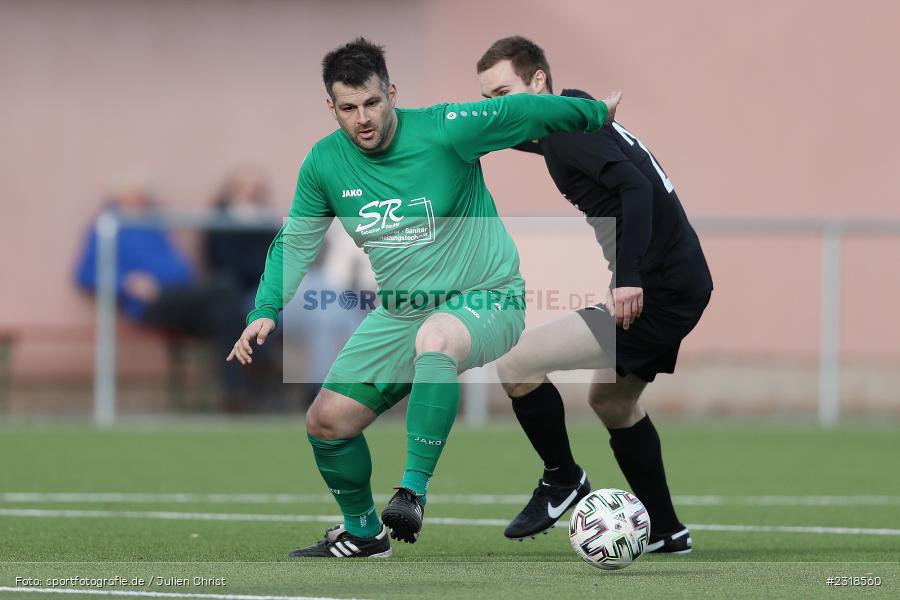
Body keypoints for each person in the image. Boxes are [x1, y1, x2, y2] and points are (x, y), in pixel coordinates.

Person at [227, 37, 621, 558]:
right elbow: (294, 243)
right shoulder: (324, 163)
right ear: (331, 107)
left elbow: (520, 108)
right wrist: (265, 310)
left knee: (436, 337)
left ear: (391, 92)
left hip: (488, 297)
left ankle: (412, 492)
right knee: (327, 422)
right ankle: (364, 534)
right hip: (400, 313)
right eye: (348, 108)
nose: (362, 118)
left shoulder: (444, 129)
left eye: (371, 103)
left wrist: (591, 112)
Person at [476, 36, 713, 554]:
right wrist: (460, 132)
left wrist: (629, 277)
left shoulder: (566, 132)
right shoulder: (575, 112)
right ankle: (667, 531)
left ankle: (563, 479)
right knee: (611, 399)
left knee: (517, 362)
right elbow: (536, 136)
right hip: (682, 280)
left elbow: (635, 188)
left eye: (503, 93)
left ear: (538, 81)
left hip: (657, 287)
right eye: (489, 100)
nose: (497, 109)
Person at [75, 181, 247, 408]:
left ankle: (232, 394)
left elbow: (177, 266)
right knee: (225, 287)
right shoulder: (107, 226)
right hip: (151, 303)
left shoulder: (153, 224)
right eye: (135, 198)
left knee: (229, 313)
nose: (142, 203)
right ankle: (239, 385)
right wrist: (125, 281)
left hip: (183, 297)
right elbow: (85, 273)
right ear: (119, 199)